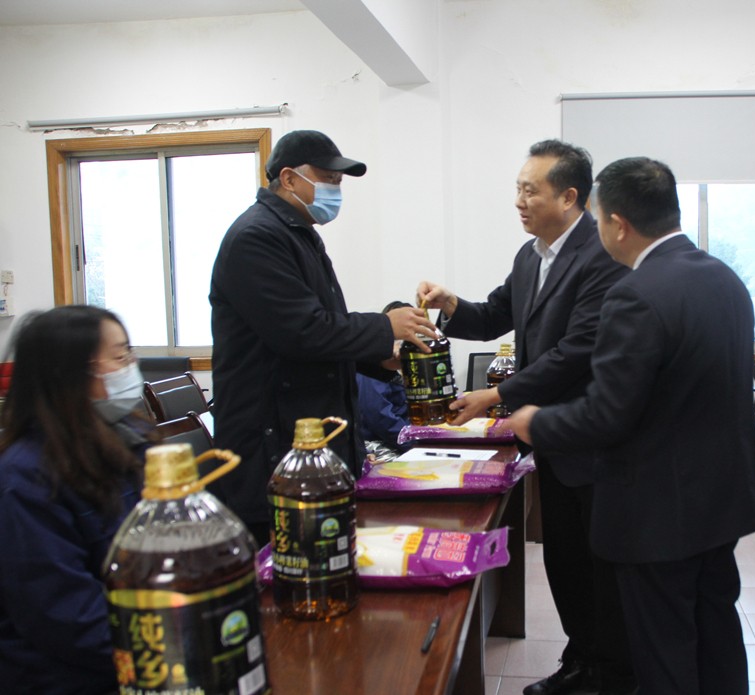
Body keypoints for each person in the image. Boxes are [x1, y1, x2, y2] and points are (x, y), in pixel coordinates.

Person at [505, 157, 755, 695]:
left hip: (660, 509)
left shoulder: (636, 293)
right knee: (715, 632)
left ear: (618, 224)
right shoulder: (723, 278)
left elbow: (608, 413)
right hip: (721, 500)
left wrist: (537, 422)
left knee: (664, 648)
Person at [418, 139, 634, 695]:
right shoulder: (529, 255)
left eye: (529, 190)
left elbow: (577, 350)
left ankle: (611, 674)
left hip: (590, 439)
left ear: (568, 197)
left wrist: (496, 395)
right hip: (548, 438)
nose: (519, 201)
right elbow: (495, 313)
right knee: (564, 558)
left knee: (598, 564)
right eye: (517, 188)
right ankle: (581, 660)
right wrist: (449, 304)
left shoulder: (600, 255)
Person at [209, 129, 436, 546]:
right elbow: (301, 331)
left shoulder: (299, 234)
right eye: (328, 179)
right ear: (289, 178)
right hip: (274, 446)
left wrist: (379, 359)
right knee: (291, 562)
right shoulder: (256, 237)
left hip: (313, 442)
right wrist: (384, 326)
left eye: (339, 182)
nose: (335, 191)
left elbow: (325, 330)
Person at [0, 305, 152, 694]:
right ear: (73, 374)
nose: (131, 366)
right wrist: (169, 645)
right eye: (120, 356)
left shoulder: (124, 439)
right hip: (73, 676)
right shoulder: (25, 477)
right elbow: (65, 615)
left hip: (141, 645)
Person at [356, 300, 412, 456]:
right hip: (380, 445)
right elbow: (382, 419)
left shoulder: (399, 369)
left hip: (402, 437)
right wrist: (417, 444)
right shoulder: (371, 370)